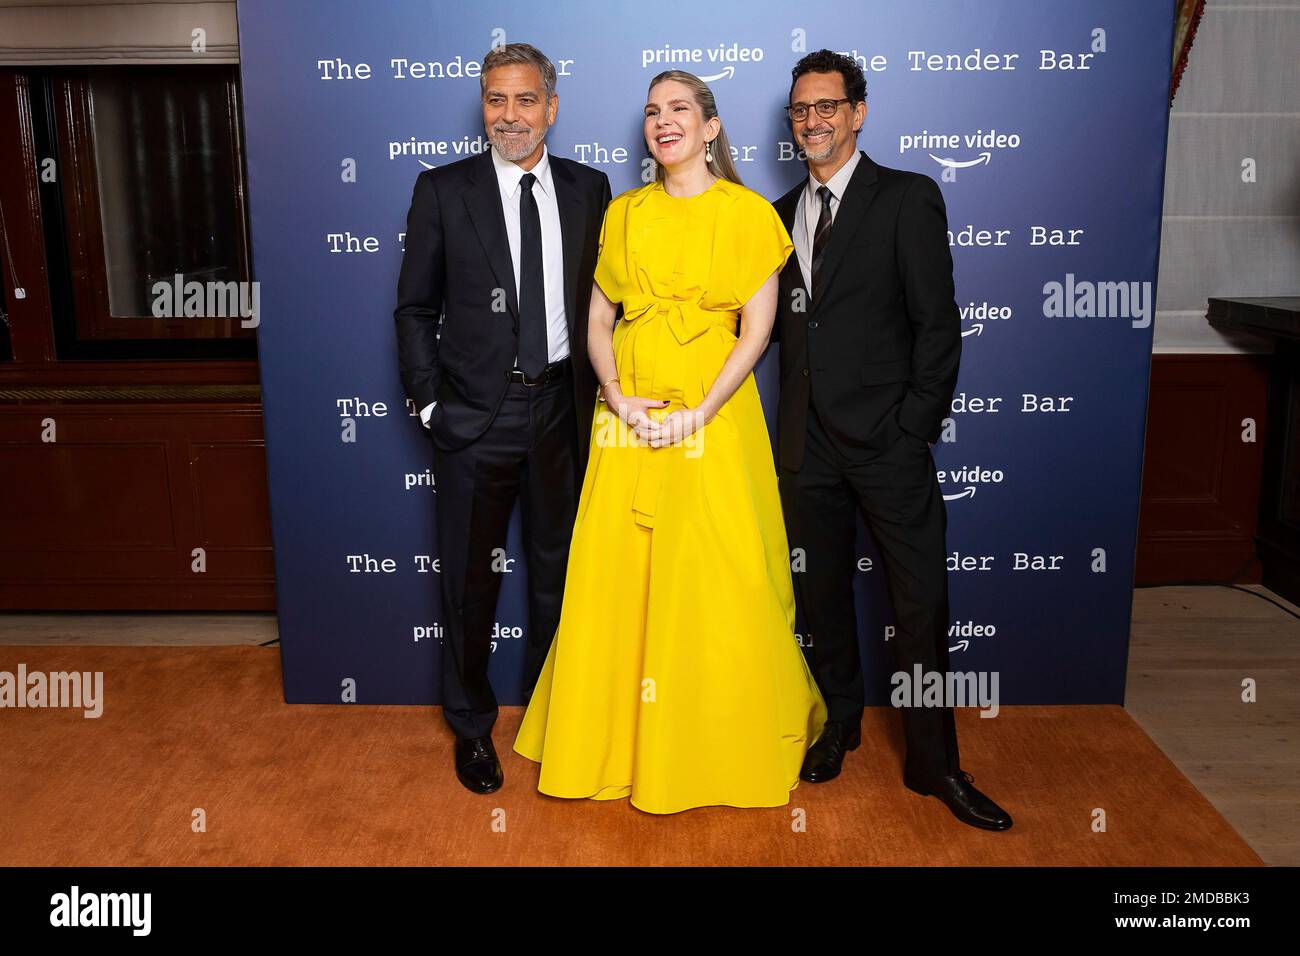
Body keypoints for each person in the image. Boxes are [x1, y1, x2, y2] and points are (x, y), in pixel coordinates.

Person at [513, 70, 826, 814]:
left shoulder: (749, 214)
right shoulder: (623, 214)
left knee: (719, 581)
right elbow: (596, 321)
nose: (663, 121)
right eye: (653, 111)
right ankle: (617, 746)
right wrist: (618, 398)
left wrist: (701, 411)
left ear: (711, 128)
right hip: (627, 422)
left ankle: (713, 747)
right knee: (620, 579)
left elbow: (757, 331)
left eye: (680, 109)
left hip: (713, 422)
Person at [773, 50, 1012, 830]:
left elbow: (937, 327)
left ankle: (935, 764)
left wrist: (911, 429)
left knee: (919, 607)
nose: (814, 121)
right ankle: (839, 724)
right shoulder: (777, 216)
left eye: (828, 107)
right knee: (824, 597)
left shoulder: (907, 198)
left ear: (859, 111)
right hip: (806, 450)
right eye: (802, 110)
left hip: (889, 446)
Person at [394, 42, 610, 795]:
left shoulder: (591, 188)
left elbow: (606, 309)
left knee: (560, 578)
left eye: (524, 100)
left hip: (562, 411)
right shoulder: (444, 191)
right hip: (476, 418)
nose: (508, 115)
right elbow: (415, 308)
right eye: (495, 100)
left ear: (551, 106)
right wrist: (429, 403)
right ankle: (471, 728)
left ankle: (555, 722)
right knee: (467, 584)